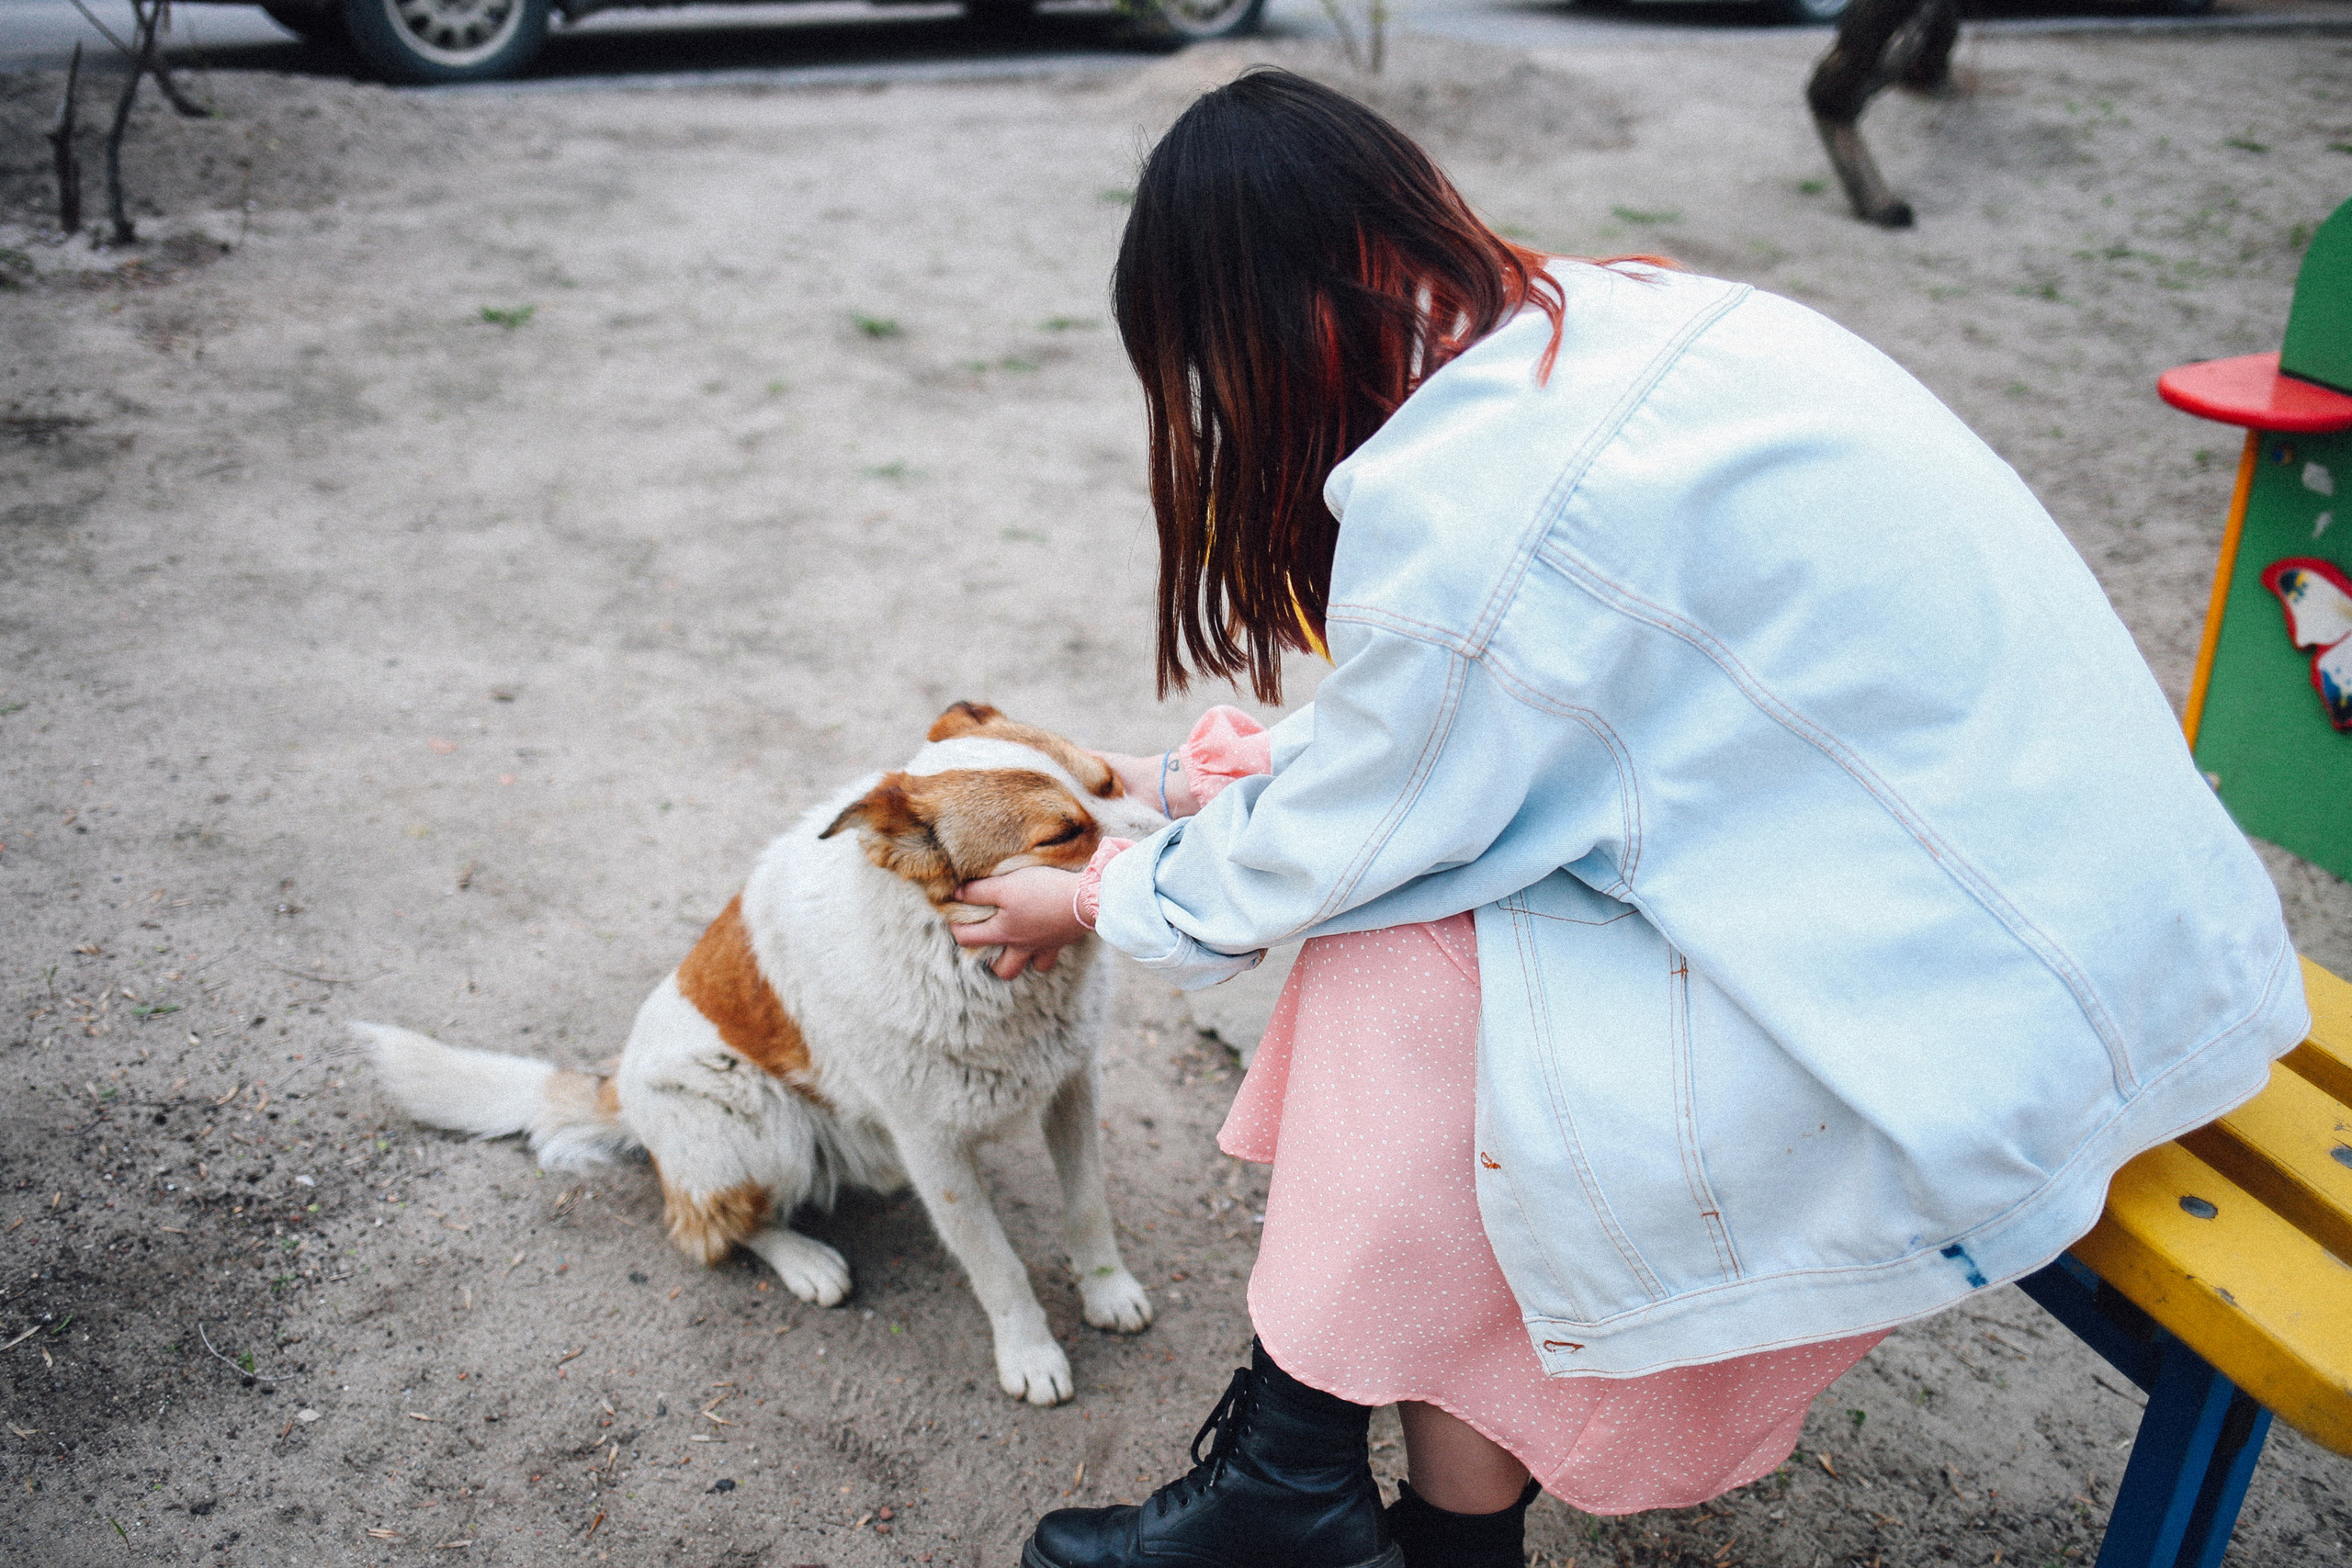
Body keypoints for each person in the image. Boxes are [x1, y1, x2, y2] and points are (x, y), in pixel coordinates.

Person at [950, 68, 2306, 1568]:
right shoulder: (1624, 323)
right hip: (2116, 912)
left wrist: (1086, 899)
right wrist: (1209, 780)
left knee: (1424, 982)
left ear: (1249, 336)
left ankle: (1307, 1482)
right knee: (1462, 981)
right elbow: (1496, 703)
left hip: (1987, 991)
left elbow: (1373, 806)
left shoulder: (1483, 494)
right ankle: (1332, 1485)